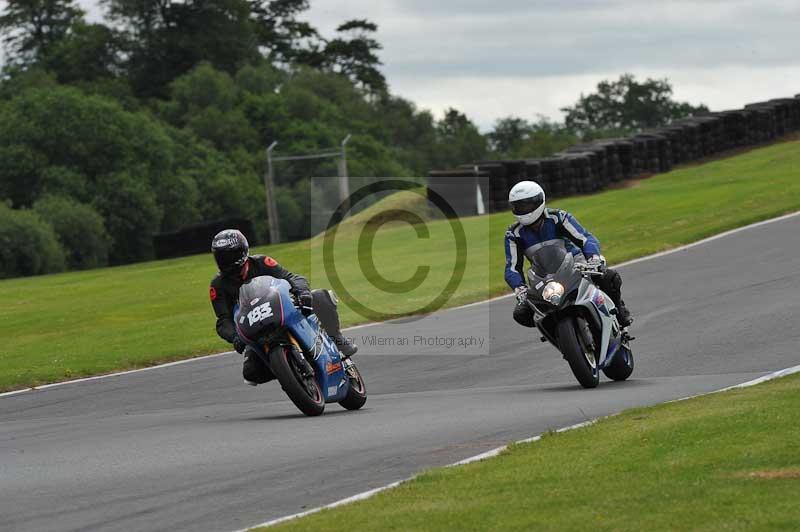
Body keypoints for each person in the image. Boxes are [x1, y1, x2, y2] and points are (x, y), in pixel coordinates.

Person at [209, 229, 357, 386]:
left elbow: (292, 278)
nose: (225, 261)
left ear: (242, 251)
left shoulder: (261, 262)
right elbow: (223, 320)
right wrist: (234, 337)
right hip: (256, 329)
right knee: (251, 374)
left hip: (282, 309)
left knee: (320, 296)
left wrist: (303, 293)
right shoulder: (217, 286)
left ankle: (336, 338)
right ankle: (288, 370)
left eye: (229, 256)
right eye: (221, 257)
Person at [504, 181, 633, 329]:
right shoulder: (513, 234)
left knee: (609, 277)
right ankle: (557, 331)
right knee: (521, 313)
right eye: (518, 206)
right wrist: (519, 288)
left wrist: (593, 259)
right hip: (544, 277)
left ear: (538, 201)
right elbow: (512, 268)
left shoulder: (559, 217)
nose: (522, 210)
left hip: (576, 264)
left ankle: (619, 311)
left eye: (526, 205)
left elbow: (585, 238)